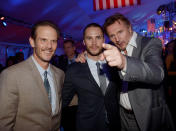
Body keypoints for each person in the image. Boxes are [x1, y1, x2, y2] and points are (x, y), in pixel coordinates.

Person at [76, 13, 175, 131]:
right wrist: (84, 54)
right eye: (112, 36)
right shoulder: (114, 48)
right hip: (122, 116)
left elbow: (157, 74)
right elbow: (95, 50)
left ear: (129, 28)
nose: (117, 39)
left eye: (120, 32)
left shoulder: (150, 43)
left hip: (148, 116)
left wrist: (124, 63)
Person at [0, 20, 65, 131]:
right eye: (43, 40)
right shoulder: (11, 75)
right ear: (32, 42)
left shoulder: (60, 74)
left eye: (53, 41)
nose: (49, 46)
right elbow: (4, 123)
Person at [62, 23, 120, 131]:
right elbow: (63, 101)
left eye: (98, 37)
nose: (94, 43)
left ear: (103, 39)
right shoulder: (74, 70)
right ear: (84, 41)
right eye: (89, 38)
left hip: (115, 124)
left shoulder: (115, 64)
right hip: (88, 125)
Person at [58, 40, 78, 131]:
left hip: (80, 100)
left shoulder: (83, 60)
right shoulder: (62, 62)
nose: (66, 50)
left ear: (74, 48)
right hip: (67, 100)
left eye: (69, 47)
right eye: (65, 48)